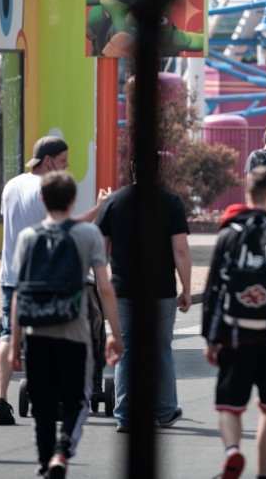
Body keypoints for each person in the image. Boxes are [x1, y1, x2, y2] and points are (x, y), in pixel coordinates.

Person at [11, 171, 122, 479]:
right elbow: (105, 287)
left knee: (43, 405)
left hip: (36, 333)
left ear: (42, 199)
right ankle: (62, 452)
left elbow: (20, 292)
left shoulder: (28, 237)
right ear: (73, 200)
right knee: (77, 401)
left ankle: (44, 462)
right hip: (75, 331)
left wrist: (15, 343)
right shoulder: (88, 236)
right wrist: (114, 332)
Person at [202, 167, 266, 479]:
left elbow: (213, 291)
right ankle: (262, 474)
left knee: (229, 406)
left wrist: (211, 337)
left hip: (234, 334)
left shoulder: (228, 235)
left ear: (249, 196)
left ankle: (232, 451)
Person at [0, 135, 104, 426]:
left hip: (10, 275)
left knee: (7, 335)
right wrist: (97, 210)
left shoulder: (11, 185)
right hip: (42, 279)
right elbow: (63, 226)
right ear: (48, 160)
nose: (66, 168)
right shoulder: (45, 188)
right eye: (64, 162)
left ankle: (1, 398)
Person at [94, 163, 192, 432]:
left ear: (132, 170)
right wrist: (186, 287)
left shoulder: (113, 202)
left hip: (124, 290)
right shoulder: (171, 202)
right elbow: (180, 249)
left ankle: (125, 415)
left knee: (125, 350)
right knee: (161, 348)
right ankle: (165, 410)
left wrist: (102, 283)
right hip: (160, 289)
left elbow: (100, 250)